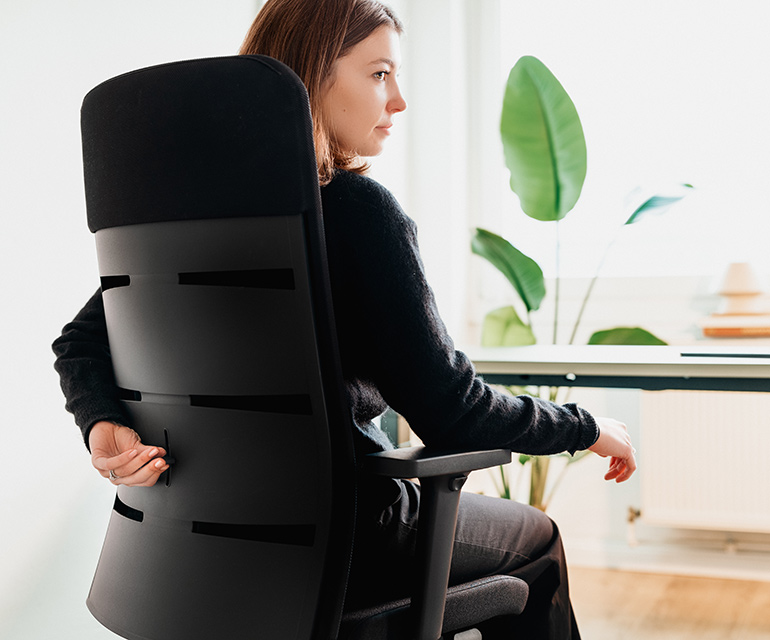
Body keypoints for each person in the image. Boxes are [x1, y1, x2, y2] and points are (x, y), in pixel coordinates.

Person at [52, 1, 636, 637]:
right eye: (380, 74)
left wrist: (100, 423)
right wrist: (585, 426)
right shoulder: (359, 211)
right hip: (349, 534)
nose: (400, 101)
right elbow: (452, 410)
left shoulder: (192, 231)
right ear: (310, 78)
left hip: (204, 547)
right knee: (539, 540)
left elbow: (80, 340)